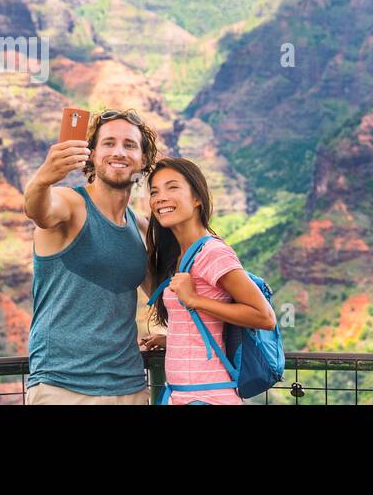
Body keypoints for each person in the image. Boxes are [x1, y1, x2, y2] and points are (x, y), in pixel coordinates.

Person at [23, 109, 159, 405]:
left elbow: (166, 298)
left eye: (130, 145)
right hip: (64, 387)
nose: (119, 152)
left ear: (144, 160)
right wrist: (42, 180)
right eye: (108, 143)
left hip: (131, 387)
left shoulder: (141, 229)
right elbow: (38, 210)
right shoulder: (70, 205)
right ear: (92, 154)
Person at [139, 157, 276, 405]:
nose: (160, 197)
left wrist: (194, 299)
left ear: (197, 199)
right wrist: (174, 341)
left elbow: (264, 316)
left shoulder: (212, 252)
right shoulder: (180, 255)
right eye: (155, 191)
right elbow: (205, 325)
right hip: (180, 393)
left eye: (172, 187)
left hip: (208, 395)